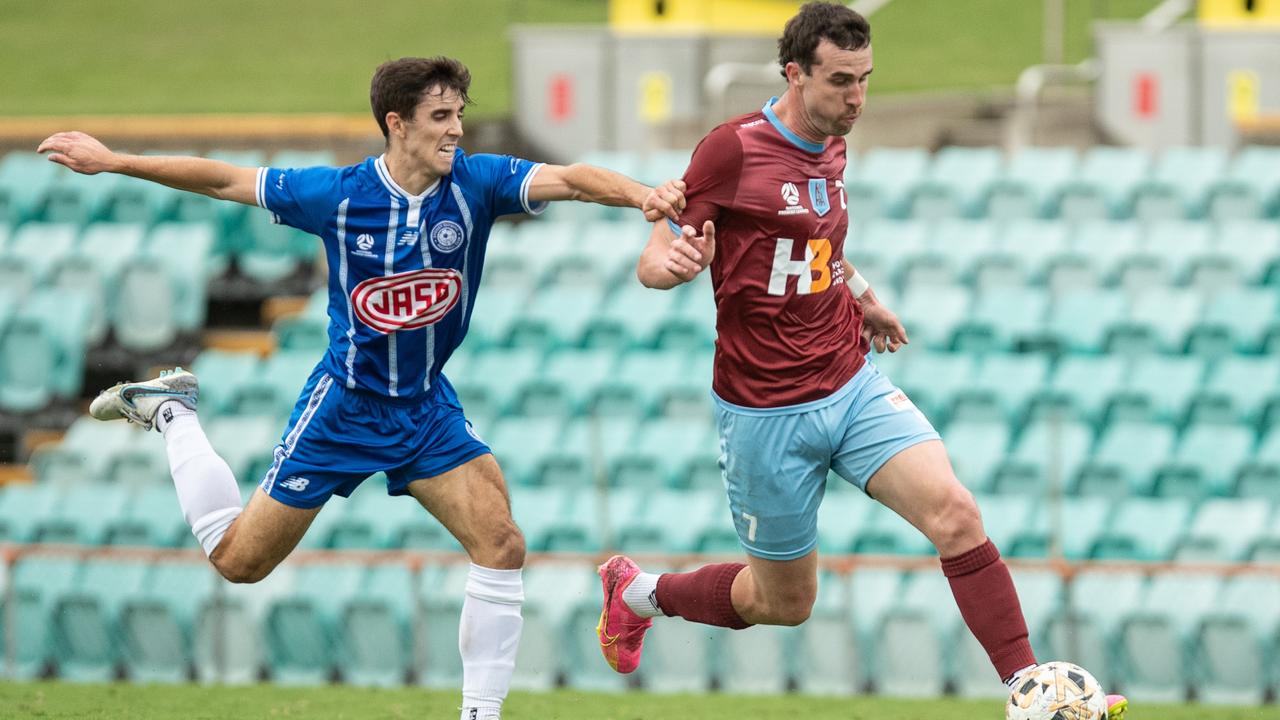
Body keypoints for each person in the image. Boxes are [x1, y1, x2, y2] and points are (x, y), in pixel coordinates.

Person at [38, 56, 686, 720]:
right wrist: (116, 161)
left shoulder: (478, 183)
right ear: (396, 124)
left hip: (427, 407)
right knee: (238, 563)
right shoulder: (338, 196)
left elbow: (573, 179)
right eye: (441, 117)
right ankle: (172, 410)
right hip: (345, 408)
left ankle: (480, 714)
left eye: (460, 114)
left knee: (502, 545)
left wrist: (642, 195)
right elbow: (226, 178)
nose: (457, 130)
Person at [593, 4, 1128, 718]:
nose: (856, 98)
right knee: (783, 604)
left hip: (848, 382)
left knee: (957, 514)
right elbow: (657, 253)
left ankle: (1028, 688)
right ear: (794, 73)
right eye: (841, 81)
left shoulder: (834, 144)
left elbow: (817, 243)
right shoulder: (733, 150)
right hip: (764, 413)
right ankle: (639, 593)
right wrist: (674, 266)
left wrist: (863, 294)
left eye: (865, 80)